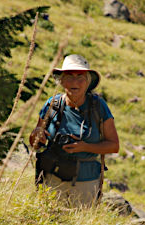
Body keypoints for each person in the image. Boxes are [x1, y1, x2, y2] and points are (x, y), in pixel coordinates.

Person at [29, 54, 119, 207]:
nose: (74, 82)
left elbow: (114, 145)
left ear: (88, 82)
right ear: (61, 80)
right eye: (69, 77)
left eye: (80, 77)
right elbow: (35, 143)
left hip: (86, 184)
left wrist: (85, 147)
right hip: (52, 180)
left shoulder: (98, 107)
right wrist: (35, 135)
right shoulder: (53, 104)